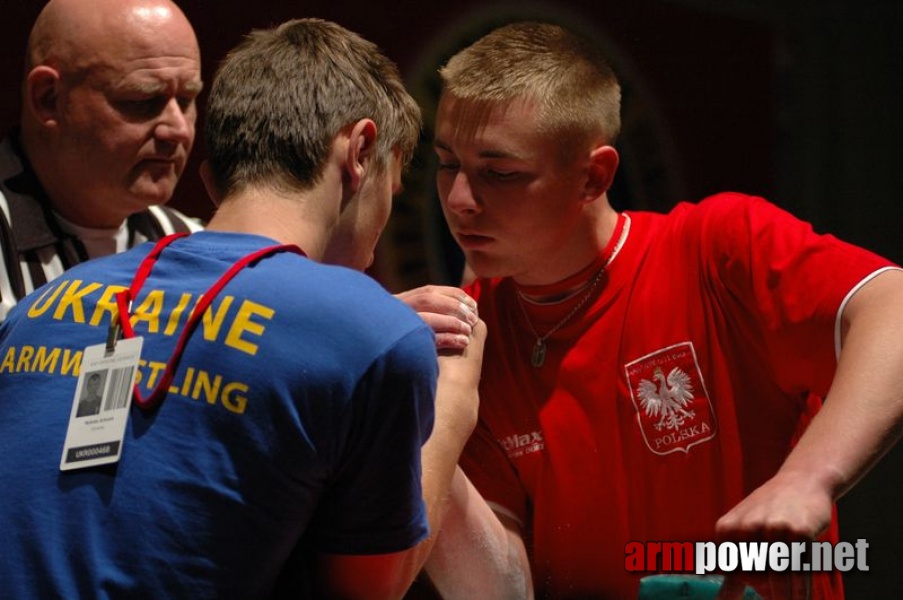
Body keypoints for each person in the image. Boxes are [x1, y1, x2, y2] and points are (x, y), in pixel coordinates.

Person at [416, 21, 903, 600]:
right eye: (448, 164)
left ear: (593, 176)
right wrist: (411, 407)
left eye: (500, 173)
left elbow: (891, 305)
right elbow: (502, 589)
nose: (460, 200)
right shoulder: (470, 338)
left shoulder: (715, 249)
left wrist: (808, 479)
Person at [0, 18, 484, 599]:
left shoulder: (43, 303)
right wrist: (453, 399)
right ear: (359, 152)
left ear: (211, 180)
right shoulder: (371, 332)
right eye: (394, 188)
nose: (379, 236)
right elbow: (370, 591)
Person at [0, 0, 204, 320]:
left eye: (186, 99)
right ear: (48, 98)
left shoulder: (192, 245)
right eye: (142, 100)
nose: (178, 129)